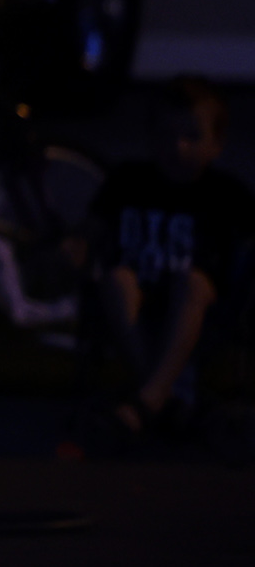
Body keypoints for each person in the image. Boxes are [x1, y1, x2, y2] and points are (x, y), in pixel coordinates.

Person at [89, 77, 254, 436]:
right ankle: (162, 396)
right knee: (116, 278)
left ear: (217, 144)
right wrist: (72, 246)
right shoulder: (128, 180)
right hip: (137, 306)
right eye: (165, 135)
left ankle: (148, 398)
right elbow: (93, 231)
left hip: (203, 315)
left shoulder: (227, 194)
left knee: (193, 282)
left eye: (192, 136)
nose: (177, 147)